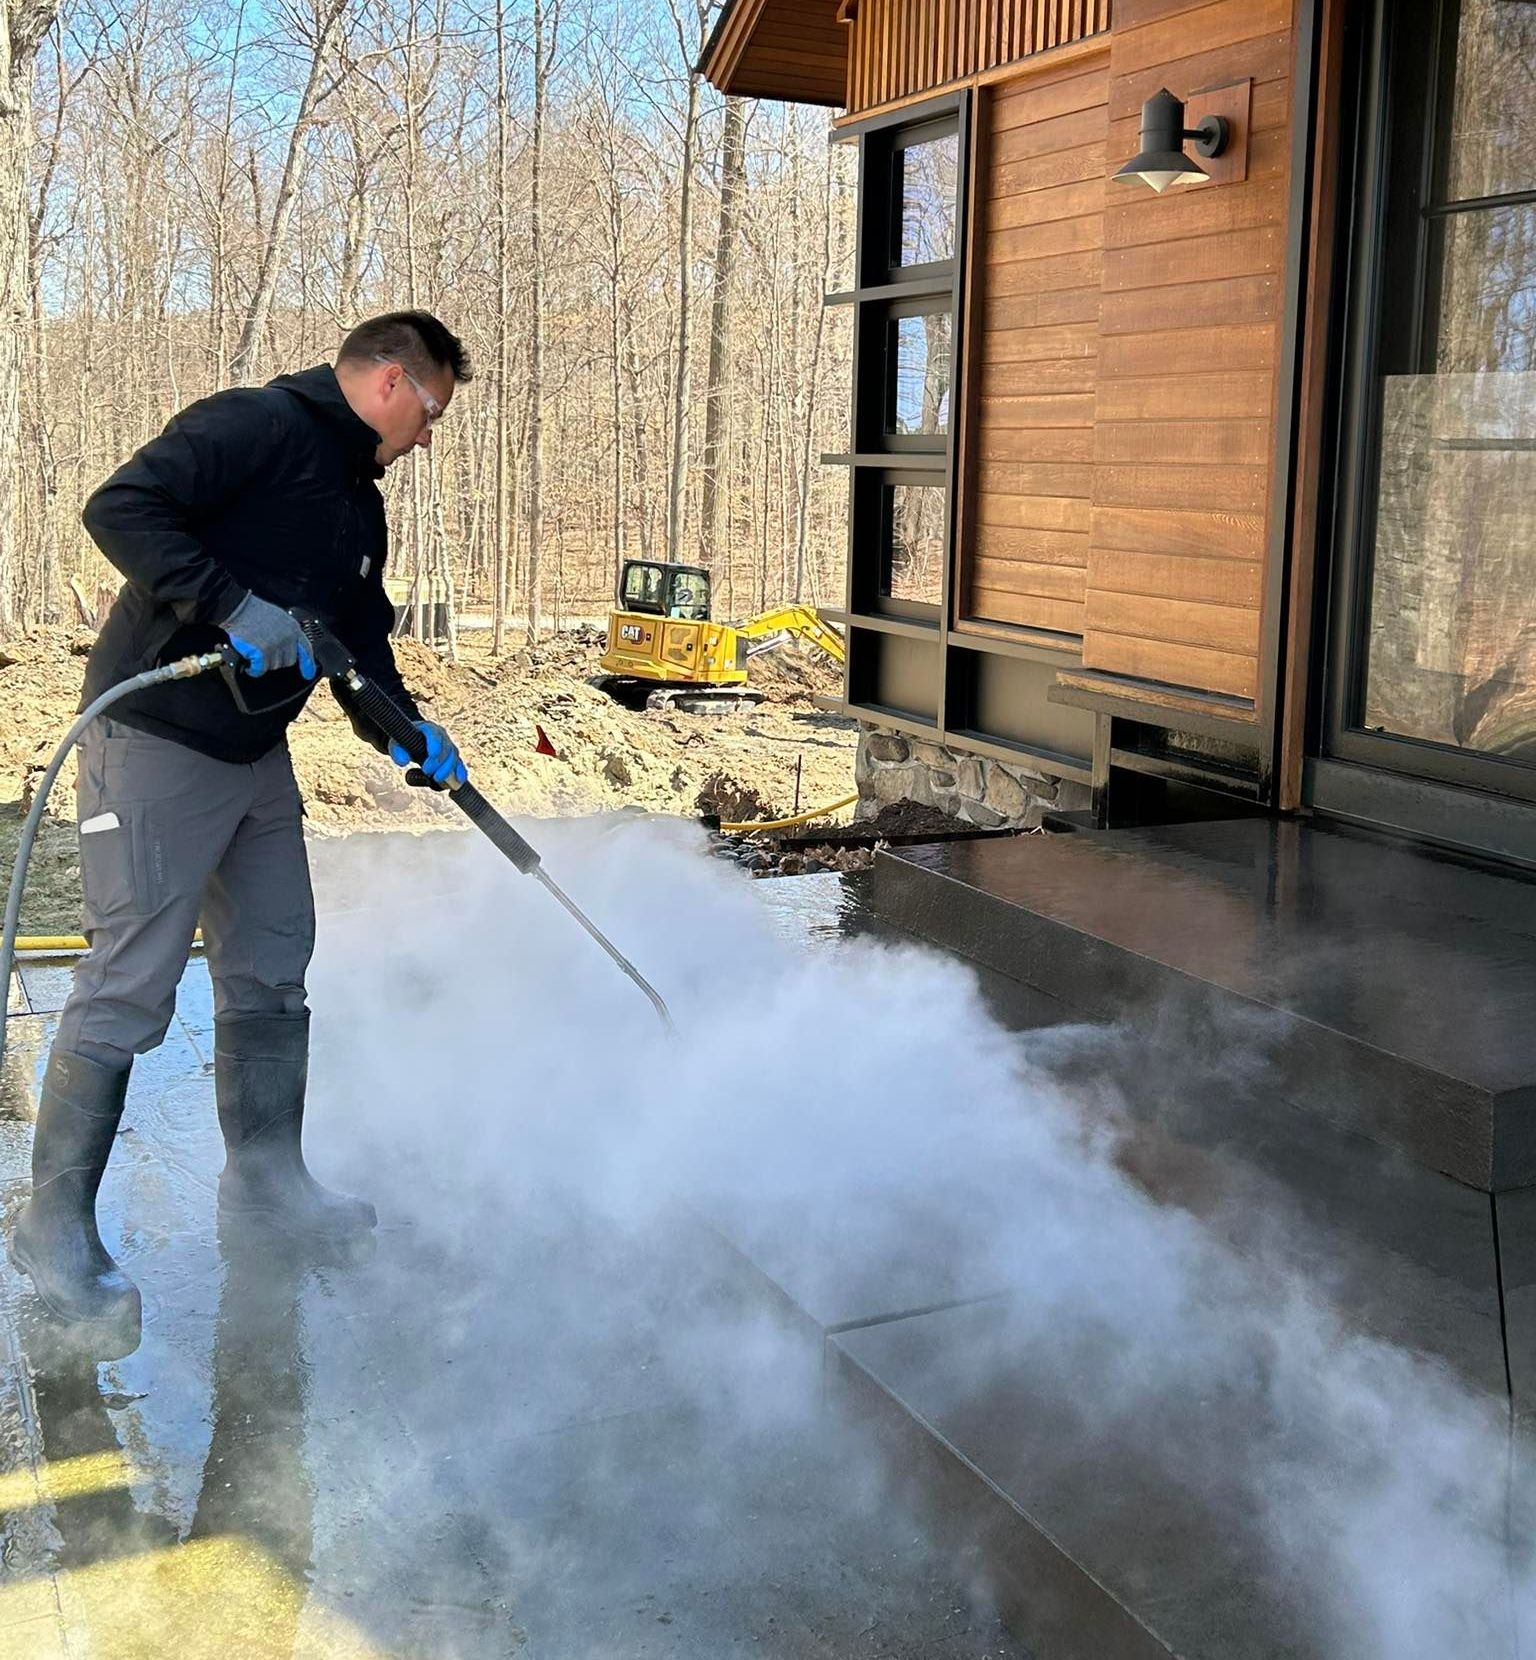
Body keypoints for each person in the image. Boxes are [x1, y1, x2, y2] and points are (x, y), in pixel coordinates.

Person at [8, 310, 473, 1354]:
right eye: (433, 411)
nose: (431, 436)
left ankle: (270, 1186)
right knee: (130, 982)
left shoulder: (357, 502)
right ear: (391, 380)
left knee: (271, 966)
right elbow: (120, 506)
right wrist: (232, 605)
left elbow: (354, 644)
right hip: (156, 736)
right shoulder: (256, 426)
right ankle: (51, 1228)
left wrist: (408, 732)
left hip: (255, 759)